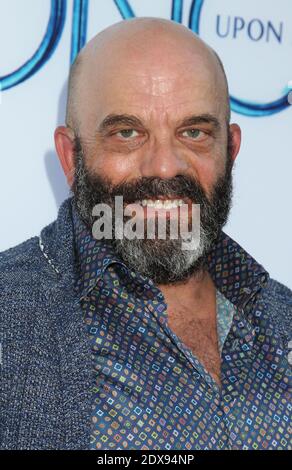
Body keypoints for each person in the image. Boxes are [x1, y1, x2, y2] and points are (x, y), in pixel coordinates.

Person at [0, 17, 291, 451]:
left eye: (193, 133)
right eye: (127, 133)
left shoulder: (280, 315)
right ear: (70, 156)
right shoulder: (10, 316)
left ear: (230, 151)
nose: (163, 166)